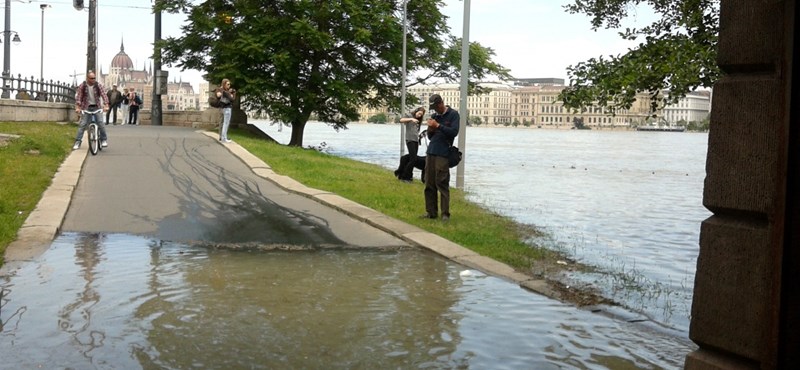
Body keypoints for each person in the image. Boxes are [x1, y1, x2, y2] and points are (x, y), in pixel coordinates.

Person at [421, 94, 459, 222]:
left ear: (441, 103)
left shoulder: (453, 115)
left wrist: (438, 126)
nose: (435, 110)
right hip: (431, 152)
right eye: (433, 108)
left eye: (436, 106)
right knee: (429, 183)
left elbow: (454, 132)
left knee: (442, 183)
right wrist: (431, 129)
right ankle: (431, 212)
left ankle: (445, 214)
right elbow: (431, 137)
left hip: (443, 153)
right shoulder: (434, 116)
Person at [73, 71, 109, 150]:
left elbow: (104, 95)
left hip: (97, 107)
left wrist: (106, 105)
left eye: (94, 78)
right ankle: (78, 142)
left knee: (100, 123)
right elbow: (79, 97)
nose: (93, 80)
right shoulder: (83, 86)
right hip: (86, 107)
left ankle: (103, 140)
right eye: (91, 78)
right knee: (82, 124)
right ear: (87, 78)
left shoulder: (98, 85)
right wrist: (78, 107)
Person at [394, 107, 426, 182]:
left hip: (416, 140)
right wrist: (411, 119)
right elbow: (401, 120)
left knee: (413, 159)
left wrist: (420, 136)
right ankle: (405, 176)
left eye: (421, 115)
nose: (419, 115)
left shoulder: (418, 120)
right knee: (413, 159)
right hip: (410, 140)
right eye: (419, 113)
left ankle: (407, 175)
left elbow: (415, 131)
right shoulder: (409, 116)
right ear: (416, 111)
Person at [215, 78, 236, 143]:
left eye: (229, 84)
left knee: (222, 123)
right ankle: (223, 137)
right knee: (224, 123)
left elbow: (218, 96)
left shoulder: (223, 90)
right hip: (225, 108)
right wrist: (233, 93)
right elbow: (232, 99)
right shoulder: (223, 91)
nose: (229, 86)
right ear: (224, 84)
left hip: (222, 108)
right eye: (228, 84)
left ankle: (222, 137)